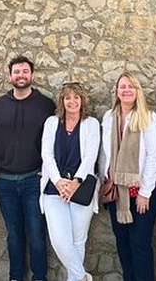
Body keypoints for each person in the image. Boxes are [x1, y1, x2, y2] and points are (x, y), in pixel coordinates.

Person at [0, 55, 56, 281]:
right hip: (4, 180)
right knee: (14, 234)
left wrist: (44, 173)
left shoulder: (46, 105)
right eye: (17, 72)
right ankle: (15, 276)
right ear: (10, 76)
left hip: (34, 180)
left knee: (36, 233)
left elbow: (54, 142)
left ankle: (39, 277)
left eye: (25, 71)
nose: (21, 75)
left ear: (32, 75)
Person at [98, 72, 156, 281]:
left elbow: (154, 156)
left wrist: (145, 193)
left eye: (131, 87)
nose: (126, 90)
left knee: (139, 242)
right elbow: (104, 153)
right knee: (122, 242)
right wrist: (105, 180)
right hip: (117, 190)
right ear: (117, 91)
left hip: (142, 190)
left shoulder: (148, 117)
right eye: (122, 86)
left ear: (137, 92)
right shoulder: (109, 117)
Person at [40, 82, 101, 281]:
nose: (72, 101)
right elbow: (46, 154)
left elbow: (91, 156)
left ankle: (75, 279)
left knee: (77, 241)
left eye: (76, 97)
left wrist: (76, 182)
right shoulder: (51, 122)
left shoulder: (90, 124)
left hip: (81, 188)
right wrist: (58, 182)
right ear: (62, 101)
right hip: (54, 187)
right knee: (59, 240)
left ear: (82, 101)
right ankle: (83, 277)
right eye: (68, 98)